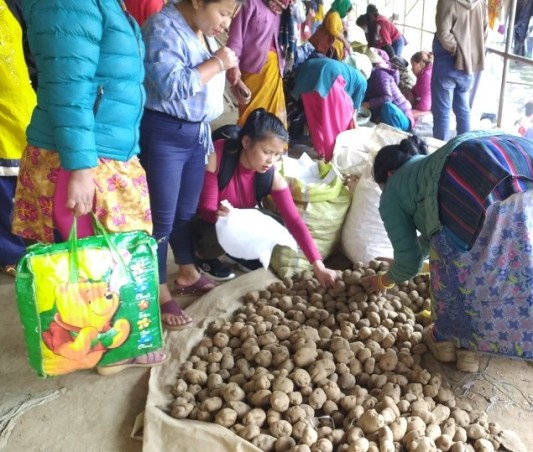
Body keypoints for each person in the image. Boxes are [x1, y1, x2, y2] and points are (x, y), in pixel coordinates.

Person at [13, 0, 166, 373]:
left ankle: (104, 343)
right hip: (84, 156)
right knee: (96, 263)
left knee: (99, 262)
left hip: (100, 150)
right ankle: (112, 351)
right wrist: (80, 170)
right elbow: (68, 89)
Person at [362, 131, 533, 372]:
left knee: (456, 270)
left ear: (388, 175)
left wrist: (383, 281)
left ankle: (447, 342)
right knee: (513, 266)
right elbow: (430, 236)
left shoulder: (393, 192)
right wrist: (408, 258)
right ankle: (480, 347)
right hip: (532, 165)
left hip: (476, 178)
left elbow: (410, 262)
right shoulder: (425, 169)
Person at [139, 0, 241, 331]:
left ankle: (187, 270)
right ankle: (157, 290)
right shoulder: (162, 27)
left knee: (185, 213)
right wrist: (217, 62)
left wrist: (230, 77)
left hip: (196, 134)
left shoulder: (202, 31)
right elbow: (172, 86)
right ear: (198, 2)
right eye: (223, 13)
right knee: (160, 220)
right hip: (165, 132)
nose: (225, 24)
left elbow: (203, 83)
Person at [193, 109, 338, 286]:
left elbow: (294, 220)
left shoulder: (270, 175)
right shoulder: (217, 155)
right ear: (246, 142)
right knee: (213, 229)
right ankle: (203, 256)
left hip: (233, 218)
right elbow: (205, 207)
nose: (271, 160)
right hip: (205, 221)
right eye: (267, 152)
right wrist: (217, 215)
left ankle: (236, 253)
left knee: (278, 224)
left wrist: (318, 266)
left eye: (277, 154)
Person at [1, 0, 36, 277]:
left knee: (25, 183)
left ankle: (31, 243)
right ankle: (11, 253)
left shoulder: (14, 4)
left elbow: (30, 49)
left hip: (20, 105)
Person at [290, 55, 367, 162]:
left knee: (315, 117)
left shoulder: (347, 70)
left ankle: (321, 149)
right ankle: (333, 157)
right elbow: (353, 110)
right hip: (329, 76)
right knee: (337, 124)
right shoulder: (363, 81)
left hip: (307, 72)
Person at [226, 0, 289, 127]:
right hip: (252, 71)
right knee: (251, 121)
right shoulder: (250, 3)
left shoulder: (284, 9)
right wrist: (234, 66)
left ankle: (275, 147)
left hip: (274, 69)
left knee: (275, 122)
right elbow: (235, 39)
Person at [431, 0, 487, 141]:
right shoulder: (480, 2)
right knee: (463, 111)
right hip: (468, 66)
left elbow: (443, 34)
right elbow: (485, 34)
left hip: (447, 62)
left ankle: (439, 156)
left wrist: (458, 51)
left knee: (442, 113)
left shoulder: (447, 2)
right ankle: (465, 151)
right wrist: (469, 54)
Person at [363, 48, 414, 132]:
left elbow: (387, 98)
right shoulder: (373, 75)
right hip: (396, 116)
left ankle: (396, 135)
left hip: (402, 117)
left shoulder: (379, 74)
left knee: (387, 107)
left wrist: (368, 104)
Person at [406, 51, 433, 120]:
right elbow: (415, 90)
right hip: (428, 108)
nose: (412, 69)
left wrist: (413, 106)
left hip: (432, 110)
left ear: (420, 64)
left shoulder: (427, 76)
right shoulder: (422, 75)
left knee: (406, 115)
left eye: (413, 65)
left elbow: (425, 105)